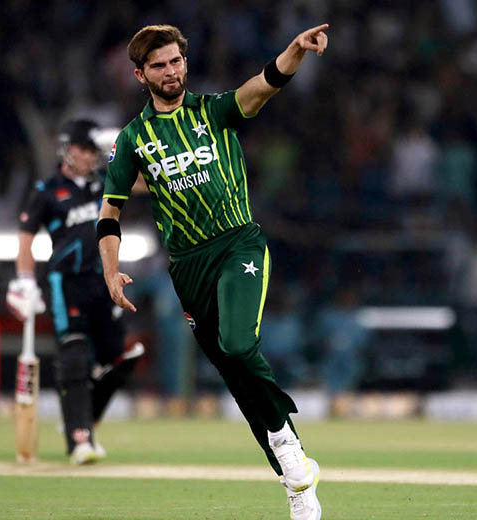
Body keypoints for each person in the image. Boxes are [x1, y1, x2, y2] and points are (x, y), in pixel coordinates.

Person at [97, 24, 328, 520]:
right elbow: (109, 209)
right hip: (187, 267)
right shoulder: (133, 139)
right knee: (237, 379)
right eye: (158, 65)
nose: (171, 71)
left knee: (239, 346)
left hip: (238, 243)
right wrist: (111, 271)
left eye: (176, 61)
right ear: (141, 75)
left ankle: (288, 443)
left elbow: (262, 85)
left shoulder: (212, 111)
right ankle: (298, 486)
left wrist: (292, 52)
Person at [6, 119, 144, 465]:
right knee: (74, 355)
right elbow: (26, 238)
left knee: (121, 357)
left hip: (104, 279)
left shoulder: (104, 183)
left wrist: (125, 147)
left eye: (93, 150)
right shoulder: (47, 189)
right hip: (66, 282)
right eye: (84, 149)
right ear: (67, 149)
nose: (89, 156)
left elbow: (148, 183)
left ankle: (80, 417)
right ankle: (79, 437)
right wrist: (24, 279)